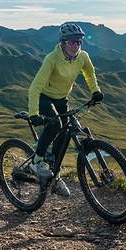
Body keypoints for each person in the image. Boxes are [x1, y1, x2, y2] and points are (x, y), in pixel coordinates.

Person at [26, 22, 104, 196]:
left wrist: (95, 91)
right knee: (55, 125)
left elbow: (89, 73)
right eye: (71, 42)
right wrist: (34, 114)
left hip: (62, 98)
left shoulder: (83, 57)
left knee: (64, 135)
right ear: (63, 42)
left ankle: (55, 177)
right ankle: (37, 161)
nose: (75, 46)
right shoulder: (52, 59)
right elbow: (35, 87)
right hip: (45, 97)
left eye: (79, 42)